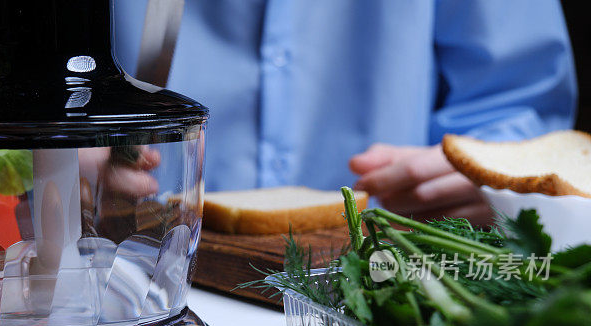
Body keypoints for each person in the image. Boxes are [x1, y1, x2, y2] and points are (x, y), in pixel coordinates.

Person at [112, 0, 577, 224]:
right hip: (124, 278)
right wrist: (54, 165)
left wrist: (492, 173)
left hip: (392, 270)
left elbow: (521, 99)